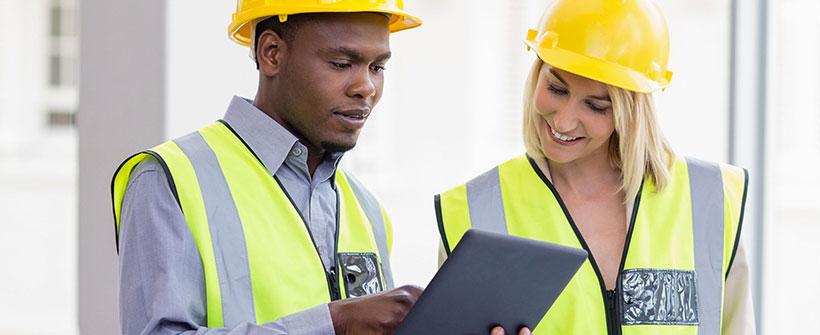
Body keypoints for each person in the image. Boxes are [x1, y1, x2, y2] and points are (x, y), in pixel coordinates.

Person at [111, 1, 528, 334]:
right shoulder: (170, 178)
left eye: (377, 66)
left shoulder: (364, 208)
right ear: (271, 53)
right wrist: (336, 323)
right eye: (342, 63)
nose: (366, 86)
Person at [434, 0, 755, 334]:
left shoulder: (711, 201)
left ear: (632, 111)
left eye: (596, 106)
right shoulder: (472, 212)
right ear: (537, 71)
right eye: (556, 88)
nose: (563, 121)